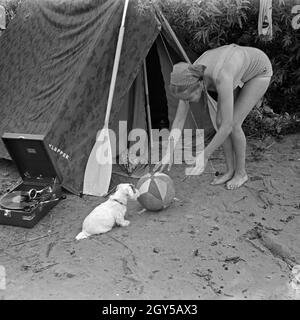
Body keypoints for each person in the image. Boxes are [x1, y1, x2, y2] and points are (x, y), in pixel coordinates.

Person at [154, 44, 273, 189]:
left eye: (189, 99)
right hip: (234, 69)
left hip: (259, 71)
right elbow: (179, 121)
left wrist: (204, 155)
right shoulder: (188, 76)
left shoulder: (221, 78)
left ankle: (241, 173)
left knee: (234, 124)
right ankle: (230, 171)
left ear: (200, 87)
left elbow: (227, 126)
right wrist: (169, 152)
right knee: (219, 121)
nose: (187, 102)